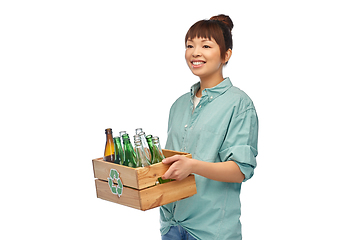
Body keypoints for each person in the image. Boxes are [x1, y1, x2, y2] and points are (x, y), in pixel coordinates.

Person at [160, 14, 259, 240]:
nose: (195, 52)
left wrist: (193, 166)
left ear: (226, 55)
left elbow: (240, 170)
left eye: (206, 45)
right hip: (171, 226)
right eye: (190, 45)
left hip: (210, 231)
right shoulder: (178, 105)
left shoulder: (239, 104)